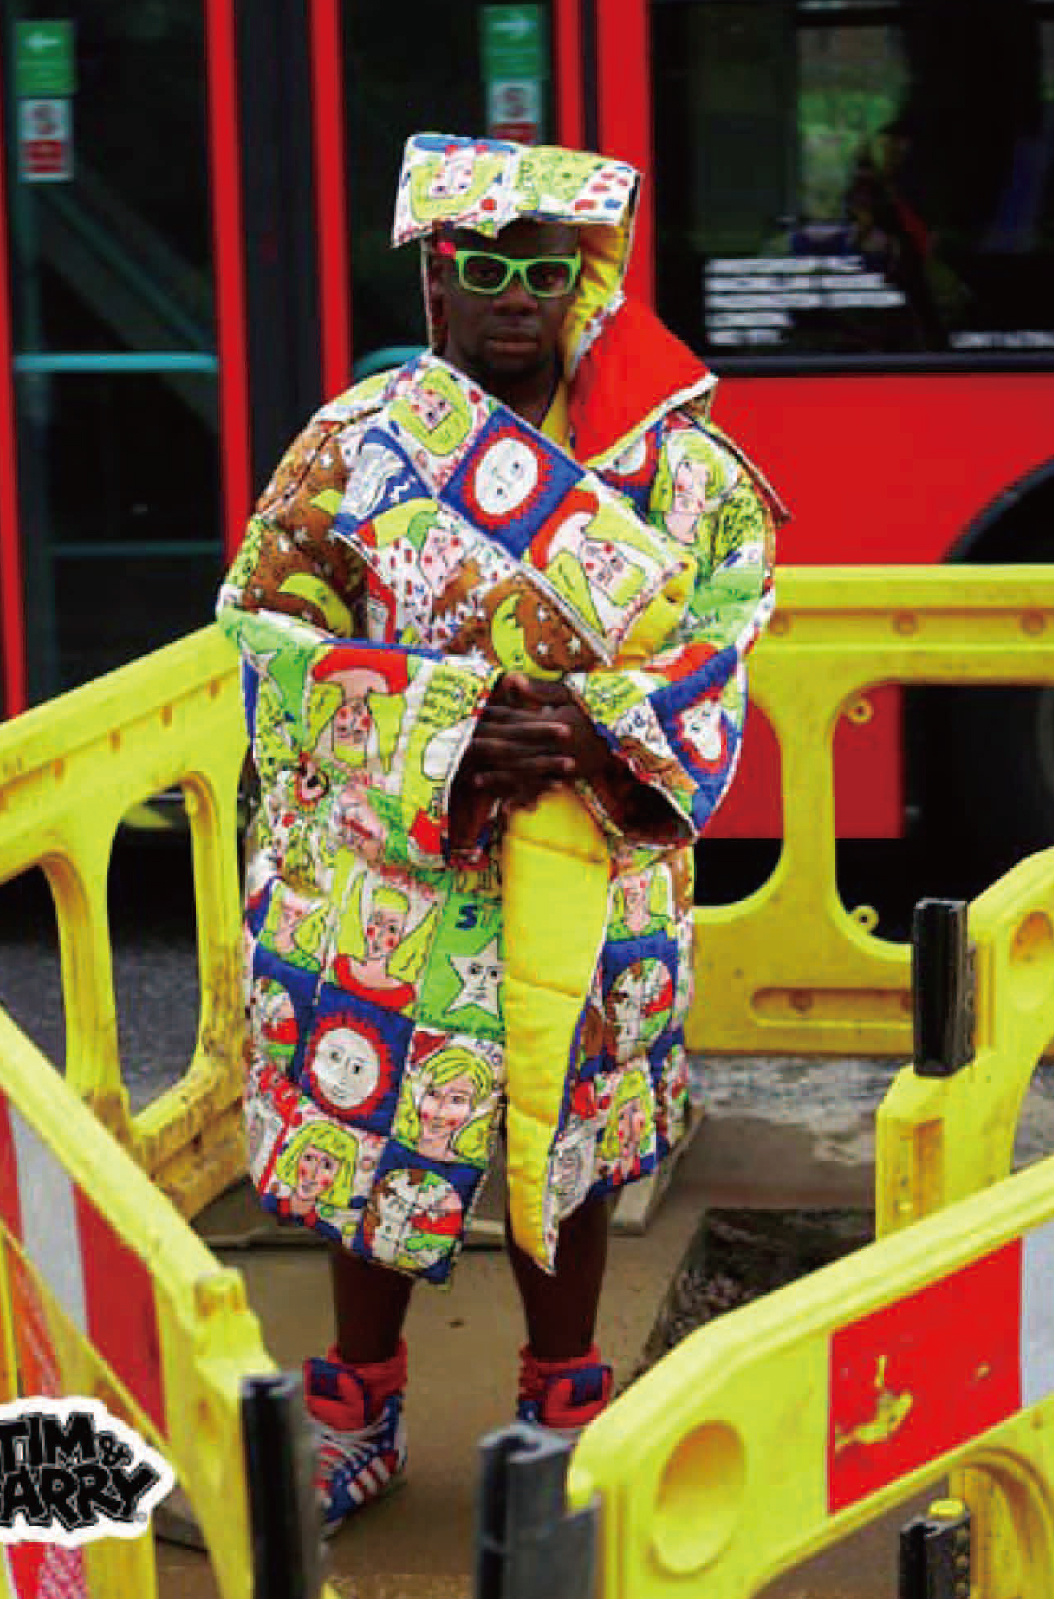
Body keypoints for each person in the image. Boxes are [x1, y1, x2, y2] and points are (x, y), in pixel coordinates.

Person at [217, 131, 787, 1535]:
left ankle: (561, 1413)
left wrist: (596, 731)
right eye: (482, 270)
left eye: (544, 268)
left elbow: (729, 626)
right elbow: (268, 629)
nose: (516, 296)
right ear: (435, 283)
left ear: (583, 277)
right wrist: (447, 725)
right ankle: (356, 1410)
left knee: (576, 1134)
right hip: (396, 874)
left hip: (590, 854)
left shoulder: (675, 467)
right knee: (365, 1128)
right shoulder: (357, 446)